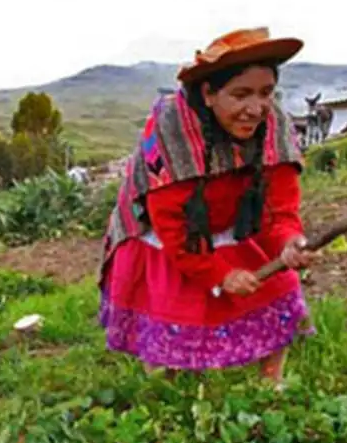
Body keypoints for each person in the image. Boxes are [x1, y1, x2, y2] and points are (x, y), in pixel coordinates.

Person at [98, 27, 318, 388]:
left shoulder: (273, 124)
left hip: (232, 219)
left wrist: (290, 241)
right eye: (240, 94)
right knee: (171, 317)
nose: (256, 108)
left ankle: (270, 386)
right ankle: (167, 397)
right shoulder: (172, 130)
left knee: (280, 291)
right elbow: (173, 227)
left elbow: (279, 209)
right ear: (209, 93)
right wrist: (219, 274)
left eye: (266, 93)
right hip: (165, 235)